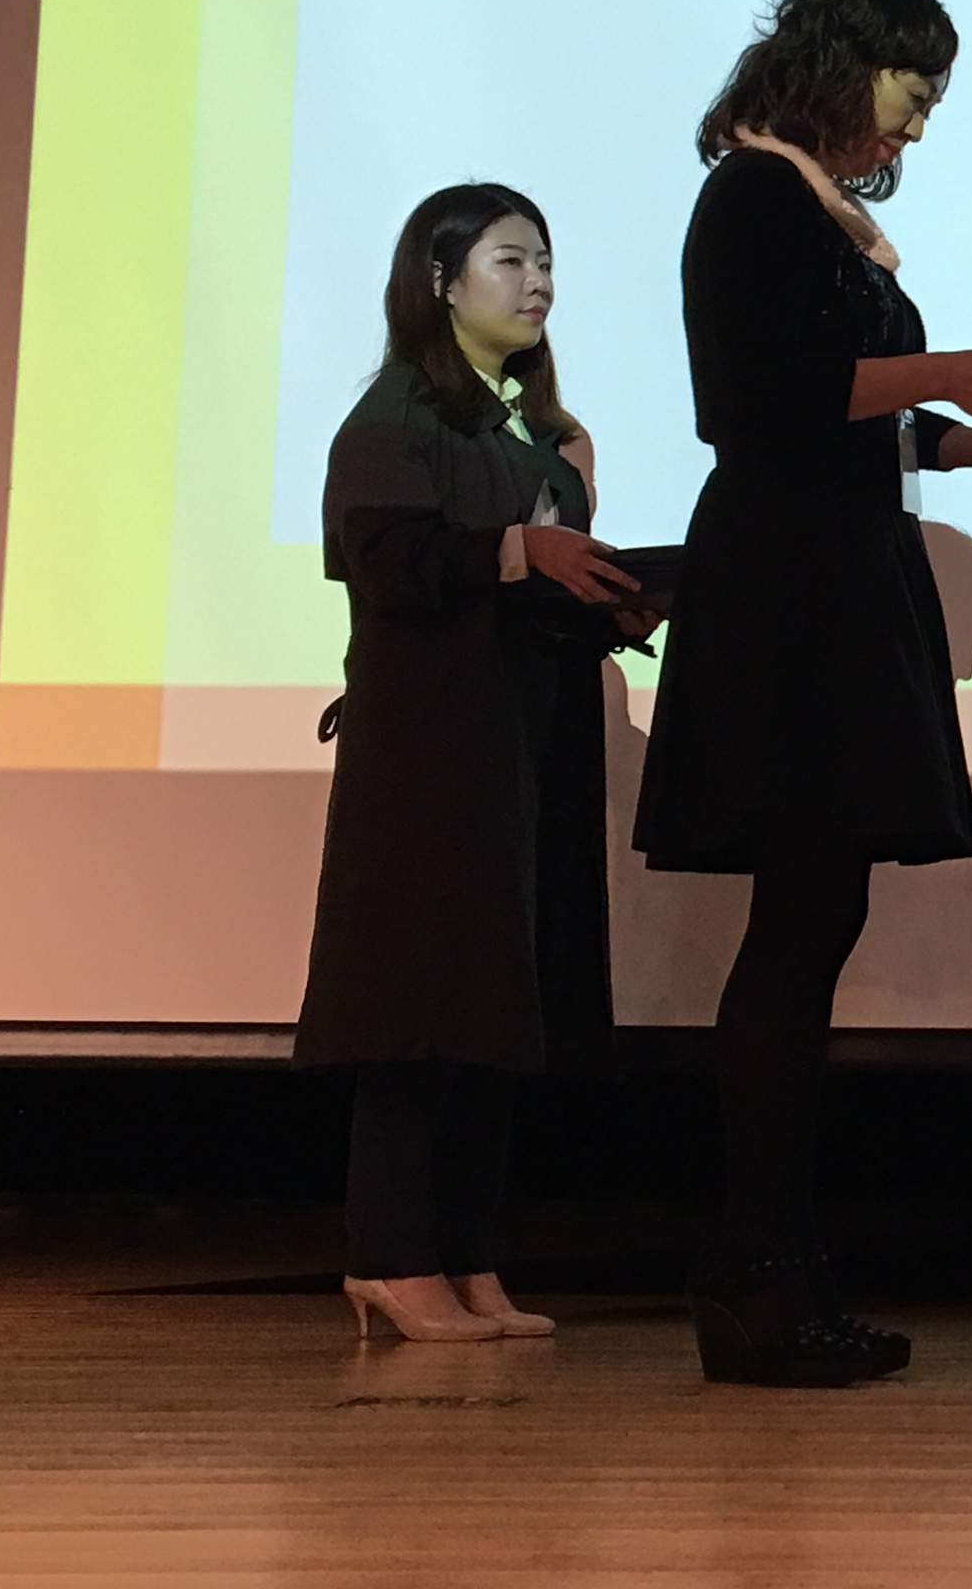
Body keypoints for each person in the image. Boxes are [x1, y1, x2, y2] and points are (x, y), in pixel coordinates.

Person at [632, 0, 972, 1386]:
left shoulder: (816, 213)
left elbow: (842, 422)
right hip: (789, 590)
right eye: (912, 92)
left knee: (813, 925)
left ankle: (776, 1273)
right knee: (794, 937)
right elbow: (751, 401)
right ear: (843, 66)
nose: (916, 126)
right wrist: (947, 368)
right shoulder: (753, 195)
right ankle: (757, 1276)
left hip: (832, 572)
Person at [296, 184, 648, 1343]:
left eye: (544, 260)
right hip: (430, 754)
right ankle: (391, 1255)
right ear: (440, 282)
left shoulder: (536, 435)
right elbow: (389, 561)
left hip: (522, 742)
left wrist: (606, 584)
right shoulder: (391, 422)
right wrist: (517, 547)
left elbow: (539, 582)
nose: (537, 281)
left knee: (502, 1000)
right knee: (420, 1001)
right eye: (509, 260)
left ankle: (467, 1251)